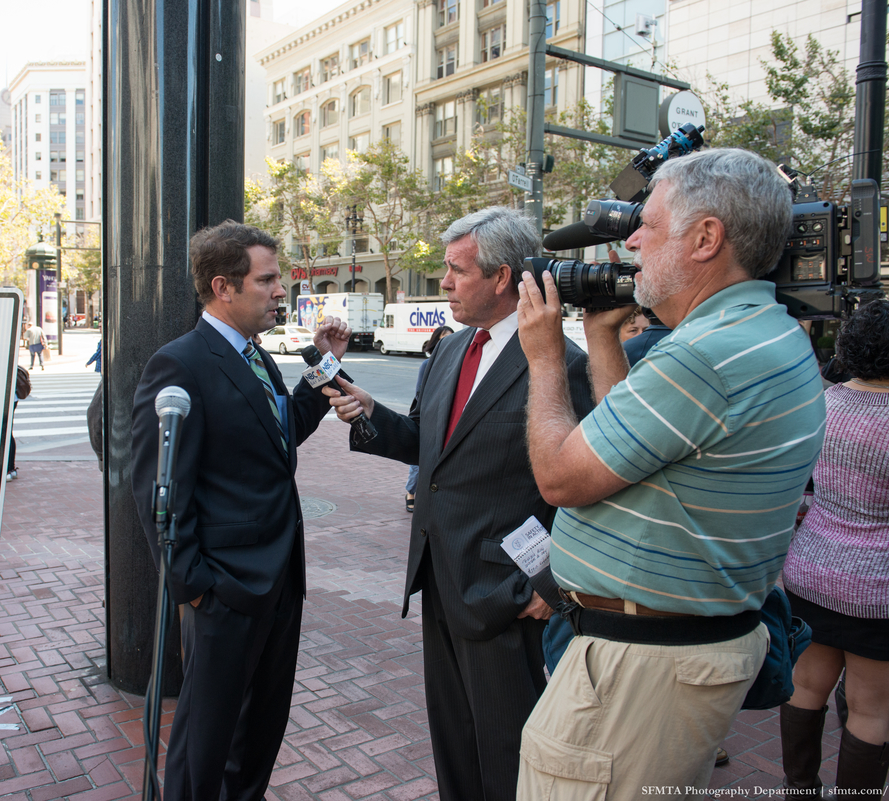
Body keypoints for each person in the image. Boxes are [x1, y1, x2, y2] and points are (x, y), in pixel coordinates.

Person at [512, 148, 827, 799]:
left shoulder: (704, 356)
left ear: (706, 237)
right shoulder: (761, 330)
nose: (629, 242)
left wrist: (544, 356)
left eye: (646, 225)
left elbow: (563, 478)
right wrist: (602, 339)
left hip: (637, 669)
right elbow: (626, 447)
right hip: (672, 652)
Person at [325, 206, 594, 801]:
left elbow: (583, 491)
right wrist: (372, 414)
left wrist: (547, 589)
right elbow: (431, 447)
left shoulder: (560, 365)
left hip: (507, 595)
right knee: (453, 739)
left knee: (507, 750)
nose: (443, 282)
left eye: (455, 270)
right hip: (440, 578)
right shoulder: (450, 351)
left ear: (501, 278)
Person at [129, 220, 351, 801]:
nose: (282, 290)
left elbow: (278, 440)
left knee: (259, 737)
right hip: (224, 590)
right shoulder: (180, 365)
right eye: (269, 279)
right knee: (204, 747)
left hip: (280, 581)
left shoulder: (258, 358)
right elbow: (156, 486)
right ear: (224, 287)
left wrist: (324, 365)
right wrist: (194, 585)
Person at [780, 299, 889, 795]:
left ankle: (799, 788)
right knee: (871, 713)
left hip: (812, 572)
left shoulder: (815, 404)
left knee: (803, 690)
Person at [403, 325, 453, 512]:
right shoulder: (427, 364)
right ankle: (411, 492)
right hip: (428, 417)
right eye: (442, 339)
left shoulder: (457, 363)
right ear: (435, 342)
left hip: (448, 419)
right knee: (419, 458)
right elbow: (420, 394)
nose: (447, 343)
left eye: (450, 338)